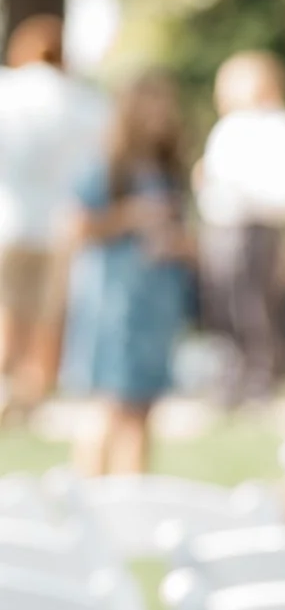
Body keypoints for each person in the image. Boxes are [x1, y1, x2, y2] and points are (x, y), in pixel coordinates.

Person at [61, 74, 197, 477]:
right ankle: (85, 493)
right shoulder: (105, 166)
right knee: (109, 403)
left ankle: (132, 497)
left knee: (144, 406)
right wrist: (131, 216)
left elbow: (190, 242)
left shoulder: (169, 171)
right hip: (115, 301)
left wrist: (178, 244)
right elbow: (75, 227)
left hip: (159, 302)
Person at [0, 12, 108, 419]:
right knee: (46, 315)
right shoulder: (81, 101)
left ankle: (6, 389)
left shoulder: (7, 91)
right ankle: (30, 395)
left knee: (8, 308)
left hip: (9, 217)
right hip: (57, 222)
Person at [195, 48, 285, 401]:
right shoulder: (229, 128)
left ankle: (261, 379)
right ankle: (231, 380)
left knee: (254, 306)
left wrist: (241, 190)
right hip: (222, 227)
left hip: (260, 227)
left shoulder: (284, 128)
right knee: (223, 307)